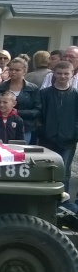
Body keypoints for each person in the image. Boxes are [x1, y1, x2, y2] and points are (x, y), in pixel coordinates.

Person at [38, 61, 78, 191]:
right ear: (54, 74)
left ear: (72, 74)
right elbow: (39, 115)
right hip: (47, 139)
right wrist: (43, 131)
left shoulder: (76, 95)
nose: (63, 76)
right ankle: (45, 200)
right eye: (59, 73)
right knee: (45, 171)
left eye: (66, 73)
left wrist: (74, 133)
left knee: (64, 171)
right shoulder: (44, 94)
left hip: (68, 140)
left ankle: (63, 202)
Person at [0, 57, 40, 143]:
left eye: (17, 70)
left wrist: (17, 112)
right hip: (2, 127)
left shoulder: (33, 89)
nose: (13, 72)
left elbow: (37, 111)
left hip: (25, 128)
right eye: (11, 69)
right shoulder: (0, 87)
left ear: (25, 71)